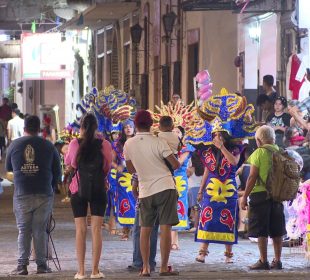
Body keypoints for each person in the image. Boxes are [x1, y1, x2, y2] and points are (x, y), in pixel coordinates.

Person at [124, 110, 180, 277]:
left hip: (145, 190)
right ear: (151, 125)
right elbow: (175, 165)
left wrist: (144, 167)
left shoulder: (128, 145)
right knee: (165, 228)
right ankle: (163, 267)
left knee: (145, 229)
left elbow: (130, 169)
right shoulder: (158, 142)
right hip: (165, 187)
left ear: (135, 125)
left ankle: (145, 267)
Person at [6, 115, 61, 275]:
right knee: (40, 230)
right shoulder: (48, 146)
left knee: (24, 230)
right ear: (39, 129)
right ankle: (42, 266)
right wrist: (50, 187)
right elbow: (57, 172)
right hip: (44, 192)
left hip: (22, 192)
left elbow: (9, 168)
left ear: (24, 128)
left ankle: (22, 266)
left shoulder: (15, 145)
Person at [65, 113, 112, 279]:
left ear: (82, 127)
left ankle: (81, 271)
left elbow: (70, 164)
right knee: (97, 230)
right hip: (99, 188)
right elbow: (107, 166)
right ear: (96, 127)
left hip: (78, 189)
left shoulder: (74, 143)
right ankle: (95, 271)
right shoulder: (104, 144)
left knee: (80, 229)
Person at [241, 125, 286, 270]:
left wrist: (244, 197)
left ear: (259, 140)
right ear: (273, 139)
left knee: (261, 229)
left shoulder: (259, 153)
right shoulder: (280, 152)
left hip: (260, 195)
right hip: (277, 195)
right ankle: (277, 261)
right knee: (277, 229)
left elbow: (252, 176)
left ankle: (263, 260)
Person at [195, 131, 241, 264]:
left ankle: (228, 254)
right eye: (214, 135)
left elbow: (233, 163)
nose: (216, 138)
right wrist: (200, 190)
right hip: (211, 189)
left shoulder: (236, 149)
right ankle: (202, 252)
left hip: (228, 190)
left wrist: (222, 147)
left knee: (229, 221)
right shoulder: (210, 151)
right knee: (207, 219)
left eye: (219, 135)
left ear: (225, 136)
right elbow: (207, 171)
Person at [112, 120, 136, 240]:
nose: (128, 129)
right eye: (126, 127)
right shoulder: (117, 144)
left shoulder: (139, 142)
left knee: (136, 201)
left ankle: (136, 228)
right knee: (124, 201)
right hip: (123, 177)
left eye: (130, 127)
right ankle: (126, 230)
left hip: (137, 175)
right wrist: (117, 167)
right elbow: (111, 160)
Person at [187, 151, 204, 233]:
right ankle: (200, 225)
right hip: (201, 188)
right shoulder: (205, 165)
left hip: (192, 188)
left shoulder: (191, 166)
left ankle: (195, 226)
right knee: (199, 208)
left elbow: (187, 175)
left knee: (195, 208)